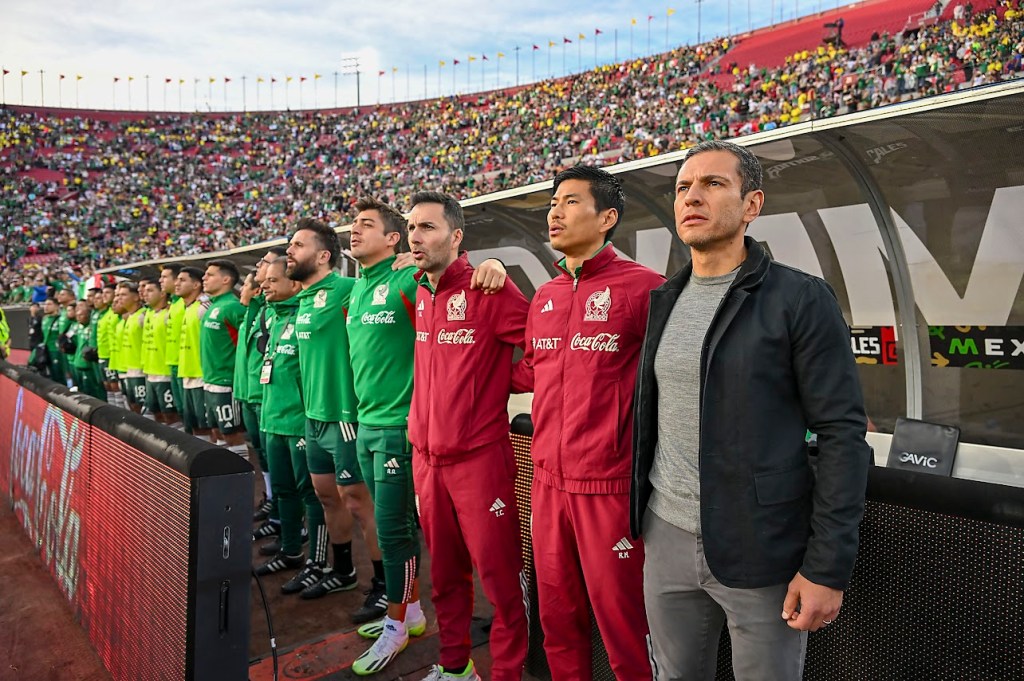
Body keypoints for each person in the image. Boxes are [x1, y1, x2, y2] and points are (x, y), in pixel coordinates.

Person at [630, 140, 871, 680]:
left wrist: (826, 568)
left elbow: (842, 433)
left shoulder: (800, 298)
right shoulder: (662, 300)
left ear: (752, 205)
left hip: (761, 543)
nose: (693, 197)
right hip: (664, 533)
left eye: (713, 184)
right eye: (683, 187)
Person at [511, 165, 664, 680]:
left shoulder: (647, 290)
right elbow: (528, 372)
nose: (555, 211)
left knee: (625, 628)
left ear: (607, 218)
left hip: (610, 488)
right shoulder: (546, 296)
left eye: (571, 201)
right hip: (548, 486)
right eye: (553, 202)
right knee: (557, 622)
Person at [345, 196, 509, 676]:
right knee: (381, 524)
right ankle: (411, 614)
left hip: (408, 429)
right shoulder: (356, 288)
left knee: (400, 533)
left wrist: (492, 262)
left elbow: (459, 286)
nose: (353, 232)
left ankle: (400, 625)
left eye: (365, 224)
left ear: (393, 238)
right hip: (368, 425)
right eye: (351, 224)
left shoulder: (407, 279)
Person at [406, 191, 530, 681]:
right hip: (427, 460)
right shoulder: (418, 288)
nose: (417, 236)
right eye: (412, 227)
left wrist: (499, 380)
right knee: (445, 578)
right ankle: (455, 667)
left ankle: (506, 674)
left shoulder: (489, 290)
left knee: (500, 581)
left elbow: (543, 350)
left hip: (480, 461)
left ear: (457, 236)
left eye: (428, 227)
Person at [285, 217, 383, 607]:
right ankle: (343, 572)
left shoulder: (347, 289)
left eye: (297, 245)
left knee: (360, 503)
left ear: (323, 256)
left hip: (346, 419)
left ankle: (384, 586)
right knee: (327, 498)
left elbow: (382, 290)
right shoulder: (304, 297)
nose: (289, 251)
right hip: (313, 418)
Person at [253, 256, 325, 580]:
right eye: (264, 280)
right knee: (282, 489)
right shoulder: (272, 316)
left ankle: (320, 560)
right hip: (272, 419)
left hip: (298, 421)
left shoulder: (307, 316)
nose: (263, 285)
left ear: (294, 284)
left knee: (310, 493)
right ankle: (291, 548)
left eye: (272, 280)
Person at [199, 259, 248, 459]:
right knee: (216, 433)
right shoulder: (212, 307)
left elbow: (248, 342)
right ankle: (223, 477)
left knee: (232, 435)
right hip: (210, 381)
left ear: (226, 279)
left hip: (227, 383)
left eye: (210, 275)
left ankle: (240, 484)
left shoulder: (232, 307)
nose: (204, 277)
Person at [176, 266, 213, 440]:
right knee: (195, 428)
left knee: (209, 429)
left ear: (196, 284)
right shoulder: (187, 308)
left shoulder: (204, 307)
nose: (177, 283)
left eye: (182, 280)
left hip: (202, 376)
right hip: (187, 374)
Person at [140, 278, 180, 426]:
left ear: (162, 293)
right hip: (150, 372)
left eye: (150, 291)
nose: (145, 294)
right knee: (156, 414)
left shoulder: (169, 312)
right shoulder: (148, 314)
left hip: (165, 373)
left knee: (172, 416)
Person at [116, 281, 147, 414]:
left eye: (123, 295)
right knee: (133, 408)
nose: (119, 298)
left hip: (141, 371)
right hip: (129, 369)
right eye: (118, 295)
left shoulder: (143, 315)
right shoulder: (130, 317)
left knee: (144, 410)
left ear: (136, 297)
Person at [160, 263, 186, 414]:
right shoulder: (174, 304)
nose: (161, 280)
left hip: (186, 366)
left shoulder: (187, 304)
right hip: (173, 364)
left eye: (164, 277)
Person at [96, 283, 124, 407]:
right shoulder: (106, 313)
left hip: (114, 357)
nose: (104, 296)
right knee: (108, 387)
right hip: (103, 356)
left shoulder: (118, 313)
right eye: (103, 293)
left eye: (107, 293)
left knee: (116, 387)